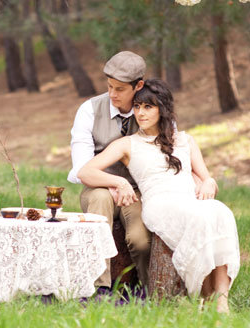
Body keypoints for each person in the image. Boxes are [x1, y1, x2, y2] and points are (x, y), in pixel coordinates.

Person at [77, 79, 240, 313]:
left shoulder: (185, 140)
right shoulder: (127, 144)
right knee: (200, 216)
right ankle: (203, 294)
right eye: (137, 107)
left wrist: (209, 183)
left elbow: (206, 177)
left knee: (220, 211)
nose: (140, 113)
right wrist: (119, 181)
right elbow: (85, 172)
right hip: (160, 204)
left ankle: (221, 299)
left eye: (147, 107)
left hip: (188, 199)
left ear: (162, 109)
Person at [68, 51, 151, 294]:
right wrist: (116, 182)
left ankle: (145, 289)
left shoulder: (152, 111)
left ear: (139, 86)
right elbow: (80, 170)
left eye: (120, 89)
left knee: (140, 240)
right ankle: (99, 289)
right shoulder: (89, 110)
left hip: (135, 193)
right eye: (109, 86)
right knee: (101, 200)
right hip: (96, 188)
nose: (112, 94)